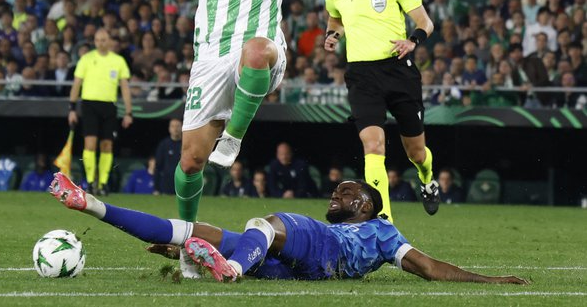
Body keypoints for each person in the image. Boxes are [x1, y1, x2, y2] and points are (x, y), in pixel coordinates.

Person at [170, 0, 345, 276]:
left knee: (256, 49)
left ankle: (233, 139)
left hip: (263, 52)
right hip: (212, 57)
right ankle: (187, 242)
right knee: (192, 161)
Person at [49, 172, 527, 284]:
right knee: (188, 231)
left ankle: (230, 270)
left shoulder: (381, 230)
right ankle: (90, 204)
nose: (333, 196)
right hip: (299, 269)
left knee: (265, 221)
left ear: (364, 202)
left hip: (326, 251)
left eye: (343, 193)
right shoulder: (344, 226)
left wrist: (489, 281)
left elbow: (428, 267)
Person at [324, 0, 439, 222]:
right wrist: (333, 36)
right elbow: (336, 20)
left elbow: (426, 23)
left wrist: (412, 41)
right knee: (373, 146)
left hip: (399, 70)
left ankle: (427, 178)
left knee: (416, 152)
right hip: (362, 76)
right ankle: (383, 218)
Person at [68, 28, 132, 196]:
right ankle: (89, 182)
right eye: (98, 40)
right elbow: (77, 84)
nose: (101, 43)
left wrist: (128, 112)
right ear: (94, 41)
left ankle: (103, 183)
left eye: (104, 40)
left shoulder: (118, 61)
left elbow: (124, 87)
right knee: (90, 144)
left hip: (109, 106)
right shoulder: (86, 59)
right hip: (89, 105)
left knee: (107, 145)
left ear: (109, 41)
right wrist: (72, 108)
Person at [153, 118, 183, 195]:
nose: (175, 129)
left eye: (177, 126)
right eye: (173, 126)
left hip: (183, 184)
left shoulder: (186, 144)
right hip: (166, 185)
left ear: (182, 127)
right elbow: (158, 166)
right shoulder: (164, 144)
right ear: (169, 128)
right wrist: (156, 188)